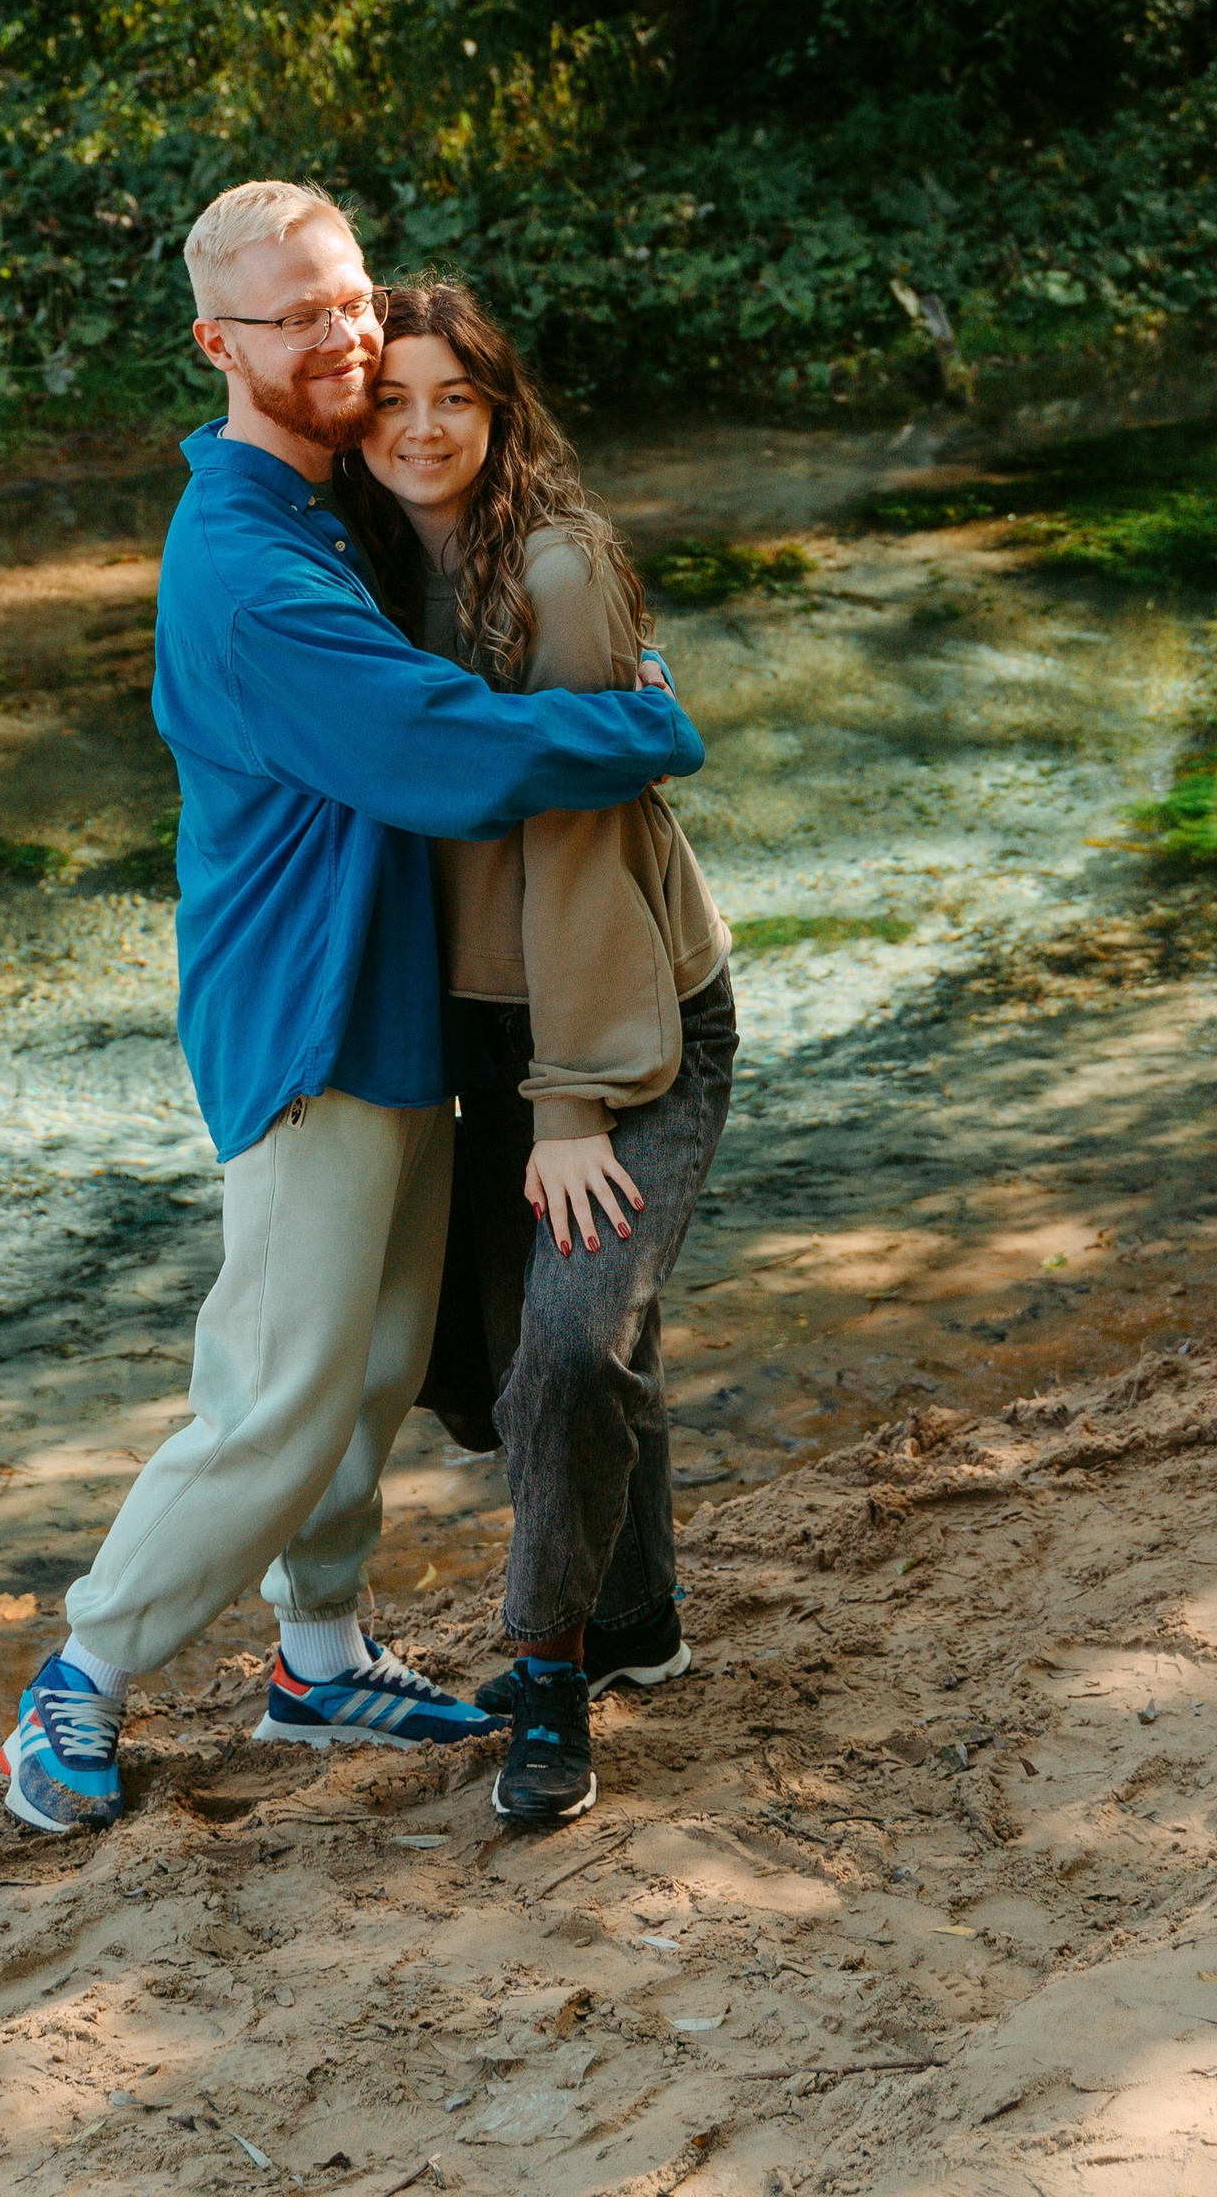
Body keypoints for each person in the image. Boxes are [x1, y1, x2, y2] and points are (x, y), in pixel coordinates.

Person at [0, 180, 708, 1834]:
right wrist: (646, 730)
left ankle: (317, 1656)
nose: (337, 338)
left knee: (379, 1358)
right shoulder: (249, 565)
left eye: (350, 300)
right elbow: (441, 755)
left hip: (390, 998)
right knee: (283, 1380)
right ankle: (81, 1676)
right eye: (292, 317)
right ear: (216, 343)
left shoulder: (330, 500)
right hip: (307, 1017)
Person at [337, 280, 734, 1829]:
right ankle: (638, 1623)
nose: (422, 429)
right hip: (480, 1029)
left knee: (567, 1340)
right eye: (392, 402)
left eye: (456, 400)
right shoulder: (360, 570)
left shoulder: (554, 573)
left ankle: (553, 1681)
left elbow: (575, 854)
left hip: (627, 1017)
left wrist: (565, 1106)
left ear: (501, 416)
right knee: (540, 1353)